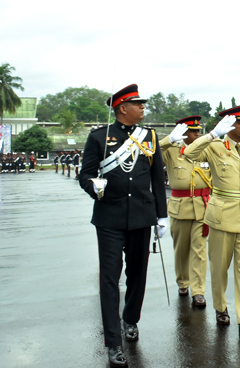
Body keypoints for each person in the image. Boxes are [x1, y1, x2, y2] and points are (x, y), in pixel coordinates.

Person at [78, 84, 167, 367]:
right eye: (138, 104)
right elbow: (86, 175)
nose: (143, 108)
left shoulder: (150, 136)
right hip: (110, 217)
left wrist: (161, 215)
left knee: (138, 275)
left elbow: (156, 179)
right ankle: (113, 342)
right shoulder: (99, 137)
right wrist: (96, 188)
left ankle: (130, 319)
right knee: (109, 279)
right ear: (122, 108)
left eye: (143, 104)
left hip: (142, 216)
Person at [179, 105, 240, 342]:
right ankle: (220, 307)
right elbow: (188, 154)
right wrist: (212, 134)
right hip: (221, 216)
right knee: (219, 268)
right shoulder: (214, 147)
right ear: (229, 126)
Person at [160, 115, 210, 308]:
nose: (197, 134)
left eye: (198, 131)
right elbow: (151, 154)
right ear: (182, 132)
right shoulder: (172, 150)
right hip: (180, 205)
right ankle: (183, 282)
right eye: (192, 131)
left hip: (203, 204)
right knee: (181, 249)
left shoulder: (206, 148)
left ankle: (198, 290)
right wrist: (169, 139)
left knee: (199, 249)